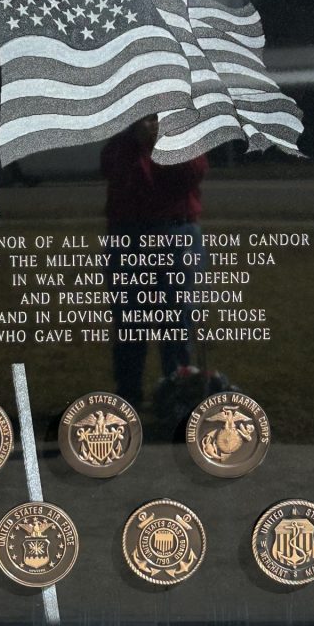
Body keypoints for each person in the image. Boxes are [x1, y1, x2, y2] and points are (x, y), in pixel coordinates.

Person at [101, 115, 207, 408]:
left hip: (177, 233)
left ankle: (179, 393)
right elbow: (121, 175)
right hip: (129, 237)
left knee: (177, 319)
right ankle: (128, 395)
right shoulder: (120, 147)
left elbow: (192, 173)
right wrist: (137, 145)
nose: (150, 123)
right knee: (130, 321)